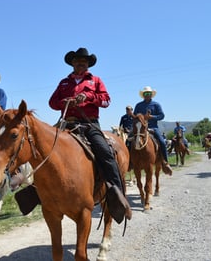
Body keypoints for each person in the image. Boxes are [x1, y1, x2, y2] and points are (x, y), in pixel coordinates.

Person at [49, 47, 132, 223]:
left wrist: (88, 97)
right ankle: (39, 191)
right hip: (67, 123)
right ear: (72, 63)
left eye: (84, 62)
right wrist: (65, 102)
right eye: (78, 61)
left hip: (89, 123)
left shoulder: (96, 81)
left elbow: (107, 100)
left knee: (106, 153)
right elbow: (52, 102)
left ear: (88, 64)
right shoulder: (64, 83)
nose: (81, 64)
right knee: (45, 148)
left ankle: (117, 194)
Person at [133, 86, 173, 174]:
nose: (147, 95)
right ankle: (129, 162)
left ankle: (165, 162)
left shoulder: (156, 105)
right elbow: (135, 117)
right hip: (141, 128)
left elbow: (162, 115)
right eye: (146, 93)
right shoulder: (138, 105)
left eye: (149, 93)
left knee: (162, 142)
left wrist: (152, 117)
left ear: (152, 95)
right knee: (129, 140)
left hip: (153, 127)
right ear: (143, 95)